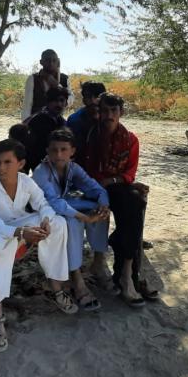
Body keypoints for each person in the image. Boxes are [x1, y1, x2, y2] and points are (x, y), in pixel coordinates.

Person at [0, 139, 76, 354]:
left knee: (58, 223)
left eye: (7, 162)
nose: (1, 167)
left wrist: (45, 219)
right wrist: (18, 232)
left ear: (20, 164)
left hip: (21, 223)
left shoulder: (26, 182)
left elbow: (43, 204)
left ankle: (56, 289)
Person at [81, 93, 158, 307]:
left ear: (121, 113)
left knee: (135, 202)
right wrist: (104, 183)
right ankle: (130, 278)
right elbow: (86, 172)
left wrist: (114, 180)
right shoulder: (90, 137)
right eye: (105, 111)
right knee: (132, 204)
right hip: (94, 188)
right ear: (99, 113)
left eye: (113, 111)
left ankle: (126, 274)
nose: (109, 115)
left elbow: (129, 173)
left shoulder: (130, 139)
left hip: (116, 185)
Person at [32, 128, 109, 311]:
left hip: (63, 206)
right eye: (54, 150)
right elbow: (54, 202)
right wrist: (84, 217)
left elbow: (96, 189)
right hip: (43, 213)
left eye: (64, 149)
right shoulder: (41, 172)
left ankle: (98, 261)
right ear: (47, 151)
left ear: (72, 151)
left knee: (98, 211)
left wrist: (103, 205)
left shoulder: (73, 168)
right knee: (73, 222)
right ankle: (76, 277)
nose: (59, 154)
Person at [25, 85, 68, 171]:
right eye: (55, 101)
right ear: (48, 102)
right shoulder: (37, 120)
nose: (59, 104)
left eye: (62, 100)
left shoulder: (61, 121)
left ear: (66, 103)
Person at [21, 49, 73, 120]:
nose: (51, 63)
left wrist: (57, 85)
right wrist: (25, 124)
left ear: (58, 62)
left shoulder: (64, 78)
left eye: (54, 60)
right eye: (48, 60)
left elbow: (70, 99)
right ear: (41, 62)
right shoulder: (33, 79)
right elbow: (27, 107)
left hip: (57, 122)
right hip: (37, 122)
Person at [66, 80, 105, 146]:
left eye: (96, 96)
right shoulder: (74, 120)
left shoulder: (109, 118)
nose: (93, 100)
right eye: (88, 96)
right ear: (83, 99)